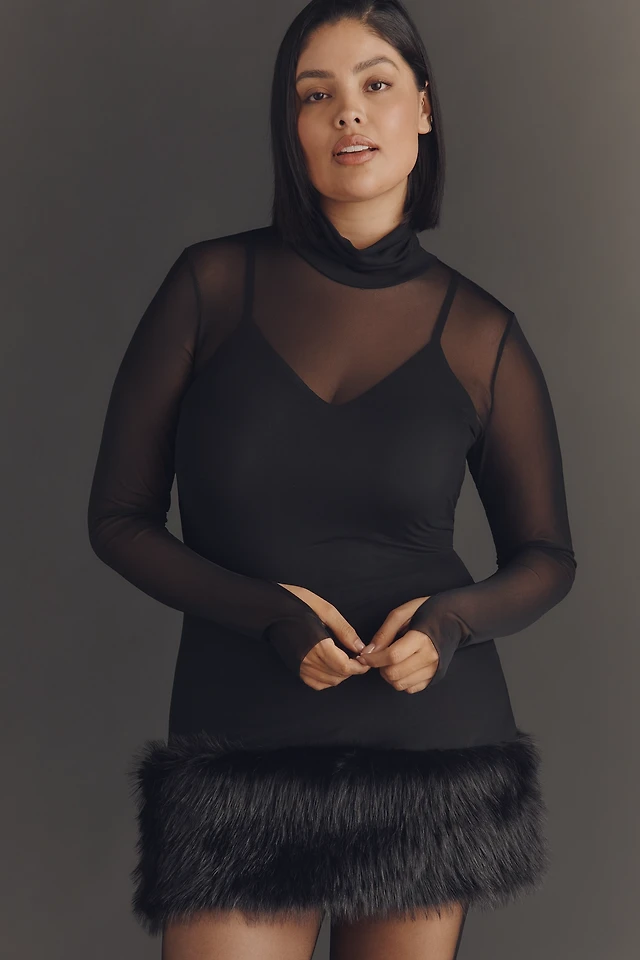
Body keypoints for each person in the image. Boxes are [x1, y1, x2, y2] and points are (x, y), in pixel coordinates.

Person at [87, 1, 577, 958]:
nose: (348, 111)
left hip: (429, 753)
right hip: (239, 750)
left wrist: (450, 625)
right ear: (294, 128)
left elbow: (547, 556)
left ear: (422, 109)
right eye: (316, 95)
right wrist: (269, 614)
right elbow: (118, 519)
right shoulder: (209, 287)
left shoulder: (482, 333)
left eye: (375, 84)